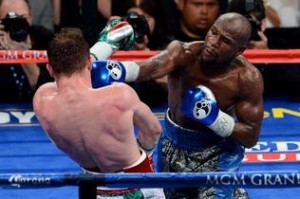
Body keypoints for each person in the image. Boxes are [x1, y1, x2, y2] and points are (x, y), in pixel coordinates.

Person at [92, 12, 264, 198]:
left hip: (218, 152)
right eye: (213, 32)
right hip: (173, 144)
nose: (214, 42)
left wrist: (215, 118)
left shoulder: (247, 79)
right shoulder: (184, 53)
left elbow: (250, 136)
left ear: (239, 50)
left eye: (226, 41)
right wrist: (119, 71)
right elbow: (151, 67)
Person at [33, 27, 165, 198]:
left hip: (91, 188)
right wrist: (143, 157)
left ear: (50, 69)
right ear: (88, 63)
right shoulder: (119, 95)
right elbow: (154, 130)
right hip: (135, 183)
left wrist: (104, 46)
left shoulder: (41, 101)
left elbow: (65, 79)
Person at [0, 0, 54, 102]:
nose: (16, 25)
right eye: (9, 20)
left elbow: (48, 94)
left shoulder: (46, 39)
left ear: (31, 17)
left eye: (22, 19)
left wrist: (24, 55)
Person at [164, 0, 228, 42]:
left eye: (210, 4)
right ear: (181, 4)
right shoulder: (161, 40)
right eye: (197, 4)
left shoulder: (226, 45)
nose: (204, 11)